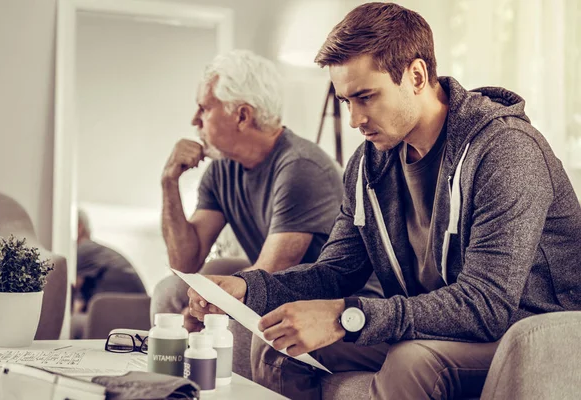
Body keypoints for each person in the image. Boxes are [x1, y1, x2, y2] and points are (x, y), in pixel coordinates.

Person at [187, 3, 581, 399]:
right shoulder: (369, 164)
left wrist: (346, 316)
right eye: (346, 102)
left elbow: (486, 304)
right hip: (435, 320)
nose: (355, 120)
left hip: (523, 330)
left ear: (416, 75)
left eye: (366, 97)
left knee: (412, 361)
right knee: (280, 344)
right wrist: (246, 288)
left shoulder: (505, 151)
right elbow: (337, 271)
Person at [151, 49, 383, 331]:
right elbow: (184, 262)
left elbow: (271, 273)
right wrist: (168, 182)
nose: (194, 120)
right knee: (171, 290)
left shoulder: (301, 167)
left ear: (242, 116)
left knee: (239, 311)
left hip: (333, 303)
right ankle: (173, 375)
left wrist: (212, 304)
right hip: (275, 288)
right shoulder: (221, 170)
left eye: (204, 108)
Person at [72, 209, 146, 338]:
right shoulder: (97, 251)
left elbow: (70, 293)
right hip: (140, 312)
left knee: (71, 325)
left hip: (117, 310)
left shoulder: (84, 249)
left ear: (78, 227)